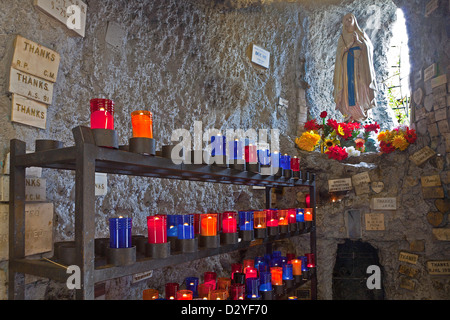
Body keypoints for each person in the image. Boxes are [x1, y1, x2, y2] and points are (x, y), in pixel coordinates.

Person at [333, 13, 378, 122]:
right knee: (348, 88)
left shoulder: (361, 33)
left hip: (360, 67)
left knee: (361, 85)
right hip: (347, 65)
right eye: (346, 19)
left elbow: (369, 48)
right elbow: (339, 53)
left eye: (350, 18)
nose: (348, 20)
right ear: (343, 22)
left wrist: (359, 42)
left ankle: (361, 113)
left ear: (354, 20)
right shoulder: (342, 37)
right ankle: (349, 114)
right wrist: (348, 45)